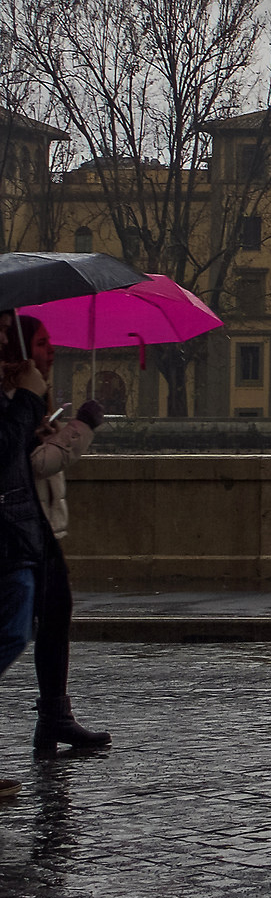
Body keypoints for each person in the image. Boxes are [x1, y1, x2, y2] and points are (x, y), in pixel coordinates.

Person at [5, 315, 109, 759]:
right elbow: (28, 463)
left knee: (51, 616)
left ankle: (54, 714)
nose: (52, 351)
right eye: (43, 343)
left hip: (33, 523)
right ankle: (53, 715)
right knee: (20, 625)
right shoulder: (17, 396)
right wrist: (81, 427)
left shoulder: (25, 396)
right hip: (20, 526)